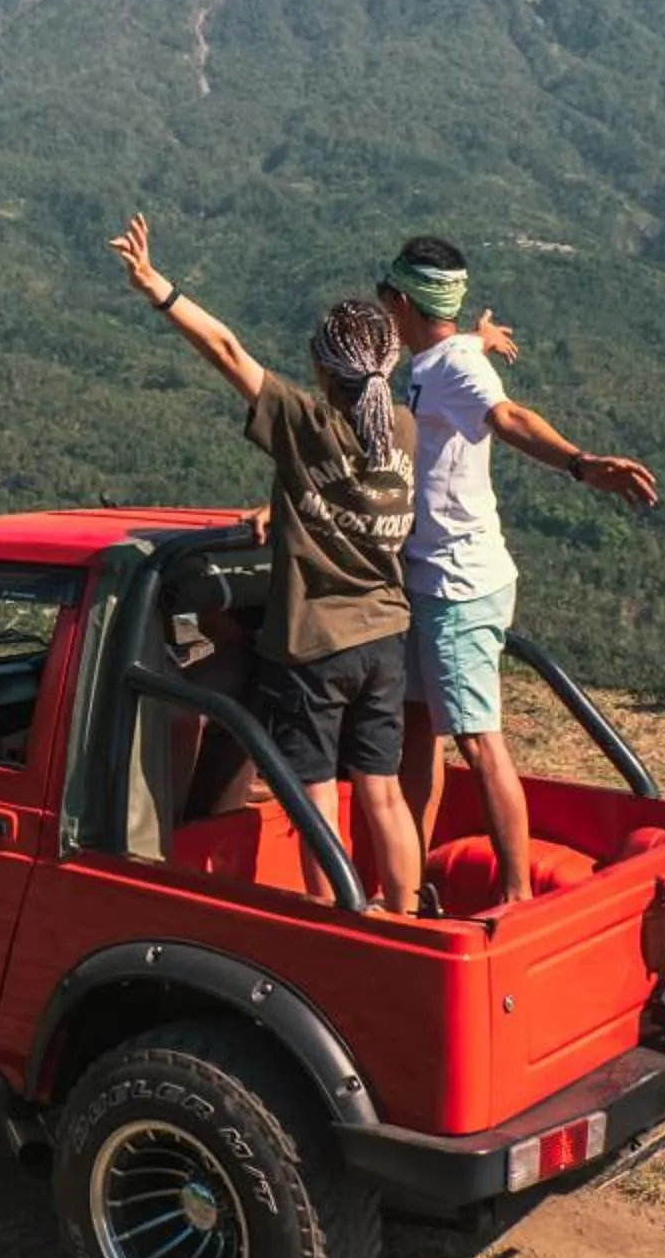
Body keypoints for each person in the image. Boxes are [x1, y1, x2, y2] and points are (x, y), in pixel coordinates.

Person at [108, 213, 428, 914]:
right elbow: (350, 497)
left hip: (316, 648)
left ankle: (336, 922)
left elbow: (226, 350)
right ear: (388, 363)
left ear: (322, 368)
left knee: (315, 798)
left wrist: (158, 288)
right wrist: (280, 508)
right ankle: (406, 917)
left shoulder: (306, 424)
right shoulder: (403, 429)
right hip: (385, 637)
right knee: (382, 790)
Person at [377, 235, 658, 905]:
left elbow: (507, 416)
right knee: (419, 732)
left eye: (387, 296)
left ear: (404, 302)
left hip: (458, 583)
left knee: (477, 739)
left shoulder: (454, 368)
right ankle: (406, 887)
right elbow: (466, 354)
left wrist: (579, 464)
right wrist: (483, 335)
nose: (382, 305)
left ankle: (515, 894)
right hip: (427, 578)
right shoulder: (447, 355)